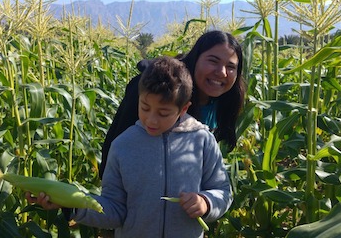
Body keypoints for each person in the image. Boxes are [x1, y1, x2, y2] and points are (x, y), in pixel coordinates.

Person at [29, 56, 233, 237]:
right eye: (145, 108)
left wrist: (206, 202)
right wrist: (71, 206)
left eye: (163, 113)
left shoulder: (202, 140)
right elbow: (114, 210)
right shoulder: (123, 145)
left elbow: (223, 191)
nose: (151, 120)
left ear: (184, 109)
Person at [100, 30, 245, 178]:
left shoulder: (224, 102)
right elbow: (117, 144)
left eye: (231, 67)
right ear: (196, 58)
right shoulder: (157, 91)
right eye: (213, 61)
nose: (222, 72)